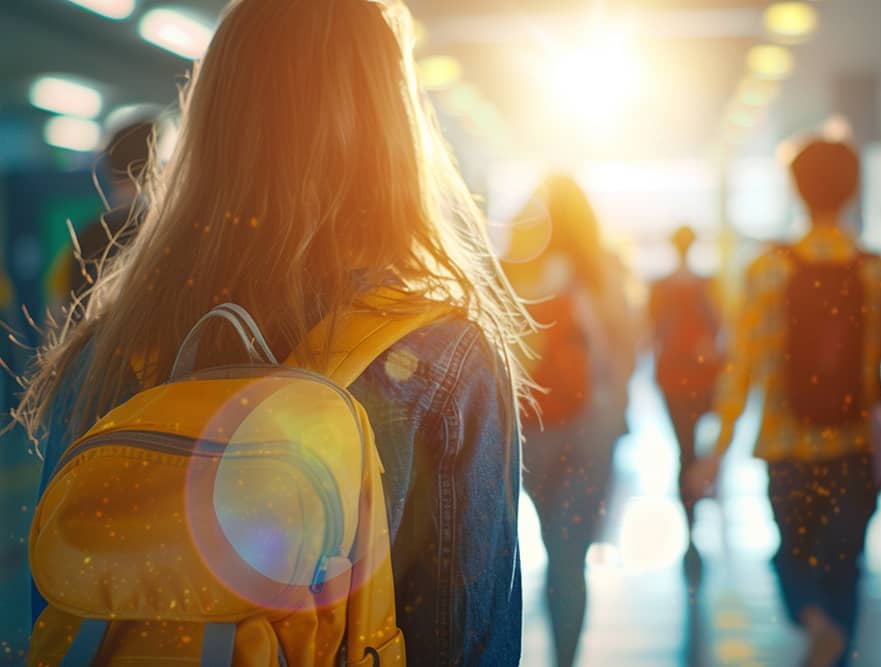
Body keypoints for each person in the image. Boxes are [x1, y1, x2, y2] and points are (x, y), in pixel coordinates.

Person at [13, 0, 528, 663]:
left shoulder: (107, 349)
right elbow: (469, 640)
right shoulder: (443, 359)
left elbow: (61, 612)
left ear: (213, 127)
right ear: (389, 133)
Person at [686, 139, 881, 667]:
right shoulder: (877, 273)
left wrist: (717, 450)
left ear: (797, 190)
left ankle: (812, 621)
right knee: (846, 564)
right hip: (858, 445)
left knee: (791, 558)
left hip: (786, 445)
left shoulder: (768, 271)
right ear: (852, 190)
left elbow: (741, 371)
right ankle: (834, 648)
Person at [503, 174, 638, 667]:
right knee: (569, 556)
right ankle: (565, 658)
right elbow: (627, 346)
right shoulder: (602, 271)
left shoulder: (515, 270)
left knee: (532, 548)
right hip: (591, 431)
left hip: (528, 429)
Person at [648, 225, 722, 574]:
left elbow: (650, 333)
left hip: (673, 377)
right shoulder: (704, 286)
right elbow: (718, 328)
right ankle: (696, 505)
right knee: (694, 449)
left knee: (685, 448)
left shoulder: (661, 288)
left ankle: (691, 515)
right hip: (701, 376)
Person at [69, 118, 157, 303]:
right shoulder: (161, 232)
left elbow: (61, 307)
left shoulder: (87, 235)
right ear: (154, 167)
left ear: (108, 169)